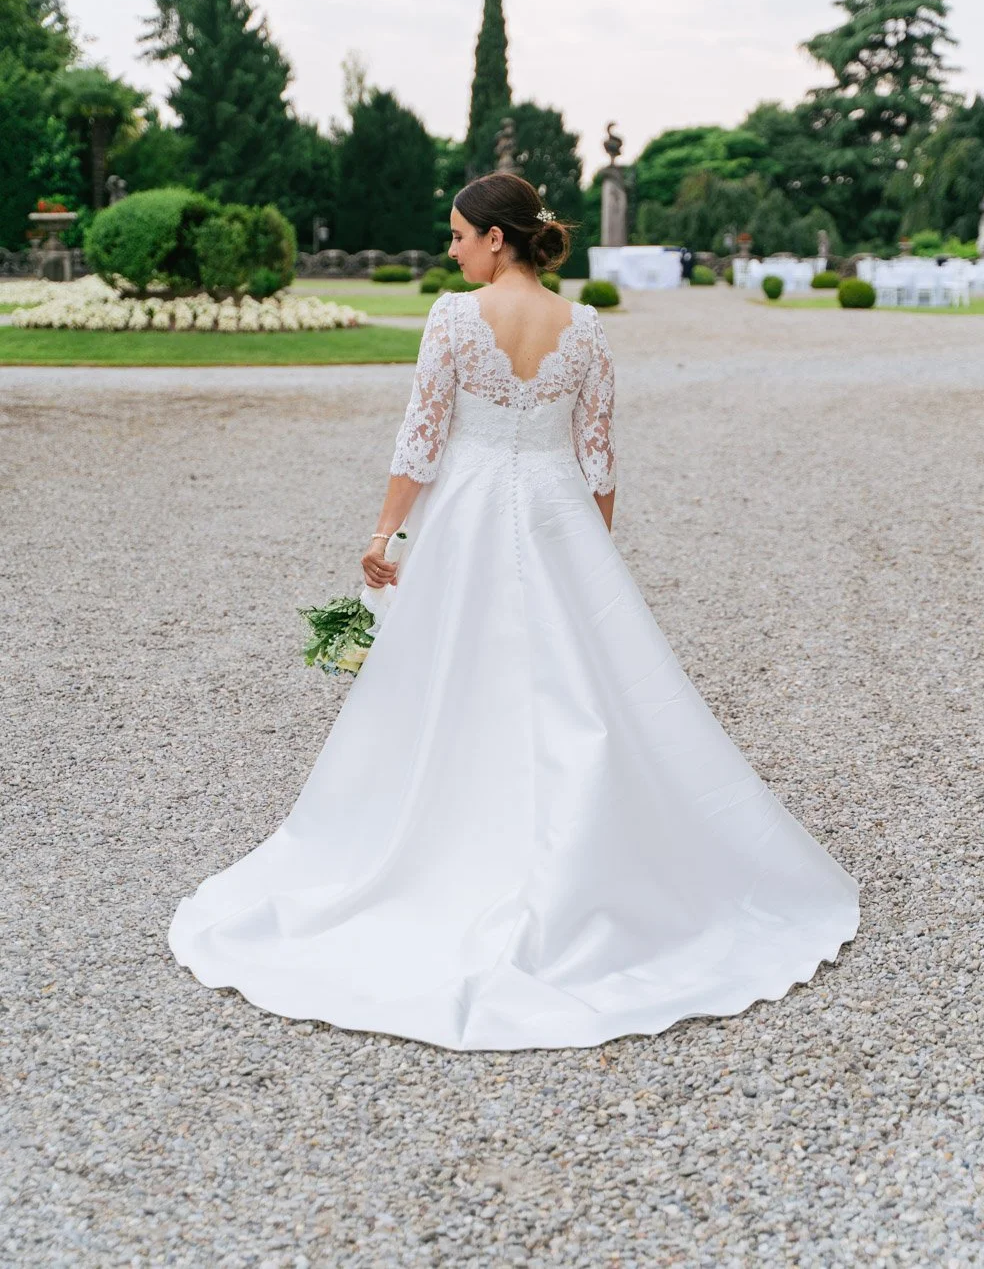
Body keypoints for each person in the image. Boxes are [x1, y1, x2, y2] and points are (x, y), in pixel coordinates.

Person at [169, 172, 859, 1052]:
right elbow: (599, 457)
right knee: (585, 686)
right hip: (559, 512)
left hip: (469, 511)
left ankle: (449, 847)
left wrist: (385, 531)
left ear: (497, 239)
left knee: (452, 680)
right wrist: (594, 554)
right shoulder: (587, 326)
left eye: (458, 234)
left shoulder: (455, 320)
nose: (449, 248)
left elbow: (421, 439)